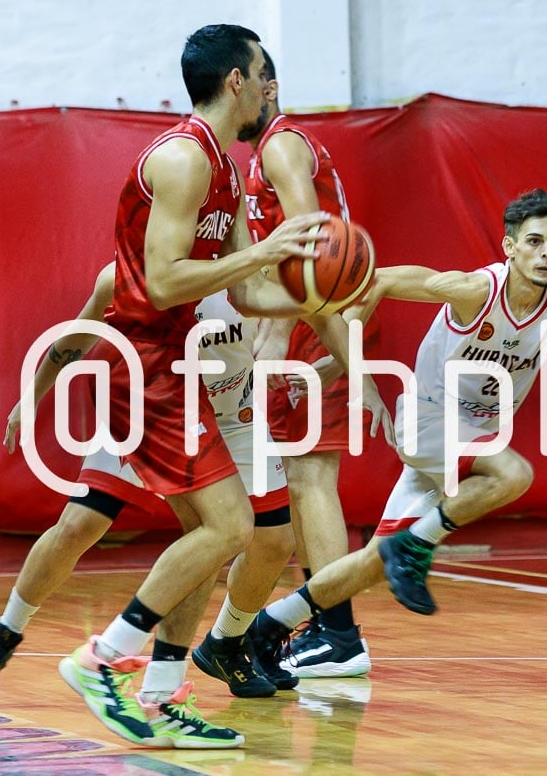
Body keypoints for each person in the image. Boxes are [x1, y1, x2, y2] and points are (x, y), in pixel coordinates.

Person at [52, 24, 385, 750]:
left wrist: (321, 293)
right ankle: (100, 658)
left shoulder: (227, 169)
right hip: (149, 364)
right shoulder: (179, 160)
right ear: (236, 79)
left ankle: (163, 696)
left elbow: (251, 292)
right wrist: (265, 252)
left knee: (239, 531)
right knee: (231, 528)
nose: (270, 84)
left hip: (187, 370)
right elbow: (167, 279)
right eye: (262, 72)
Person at [248, 188, 547, 663]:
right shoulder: (474, 290)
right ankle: (415, 546)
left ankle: (265, 627)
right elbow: (375, 281)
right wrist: (353, 371)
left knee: (371, 562)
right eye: (533, 242)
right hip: (428, 419)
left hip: (471, 437)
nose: (545, 253)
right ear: (509, 247)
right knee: (515, 475)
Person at [0, 263, 298, 703]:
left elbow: (307, 296)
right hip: (152, 409)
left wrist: (291, 336)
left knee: (271, 543)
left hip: (234, 416)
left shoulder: (246, 266)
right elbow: (75, 339)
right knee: (80, 527)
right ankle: (4, 634)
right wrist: (33, 395)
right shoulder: (126, 276)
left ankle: (224, 644)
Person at [218, 49, 372, 682]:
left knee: (310, 481)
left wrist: (277, 335)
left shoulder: (282, 148)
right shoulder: (267, 154)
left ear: (268, 88)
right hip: (315, 316)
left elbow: (311, 244)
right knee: (301, 482)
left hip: (319, 320)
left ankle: (340, 634)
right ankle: (327, 627)